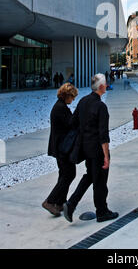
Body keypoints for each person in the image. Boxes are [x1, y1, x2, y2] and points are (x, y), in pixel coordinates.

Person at [63, 74, 118, 223]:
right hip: (97, 148)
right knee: (100, 181)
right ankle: (102, 211)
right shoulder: (101, 106)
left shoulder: (83, 101)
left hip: (85, 148)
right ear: (101, 87)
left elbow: (73, 122)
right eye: (105, 84)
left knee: (90, 176)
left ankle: (71, 203)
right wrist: (106, 156)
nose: (106, 86)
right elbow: (103, 134)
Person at [42, 83, 78, 217]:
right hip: (62, 147)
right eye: (72, 97)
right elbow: (71, 123)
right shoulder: (61, 108)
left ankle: (60, 201)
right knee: (69, 174)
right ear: (67, 95)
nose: (73, 100)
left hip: (59, 147)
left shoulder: (59, 107)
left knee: (65, 174)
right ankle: (50, 201)